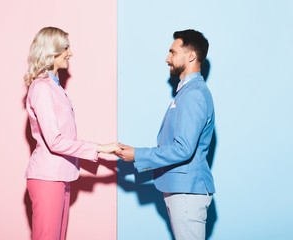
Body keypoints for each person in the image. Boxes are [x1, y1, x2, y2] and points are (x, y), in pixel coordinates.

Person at [115, 29, 215, 240]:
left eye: (172, 52)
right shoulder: (187, 92)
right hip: (182, 191)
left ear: (190, 56)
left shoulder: (194, 94)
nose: (167, 59)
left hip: (187, 193)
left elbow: (183, 150)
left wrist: (138, 154)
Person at [24, 27, 119, 240]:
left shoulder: (53, 86)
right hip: (47, 177)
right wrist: (101, 148)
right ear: (51, 50)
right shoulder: (41, 88)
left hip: (59, 176)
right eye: (66, 48)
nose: (70, 53)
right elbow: (55, 142)